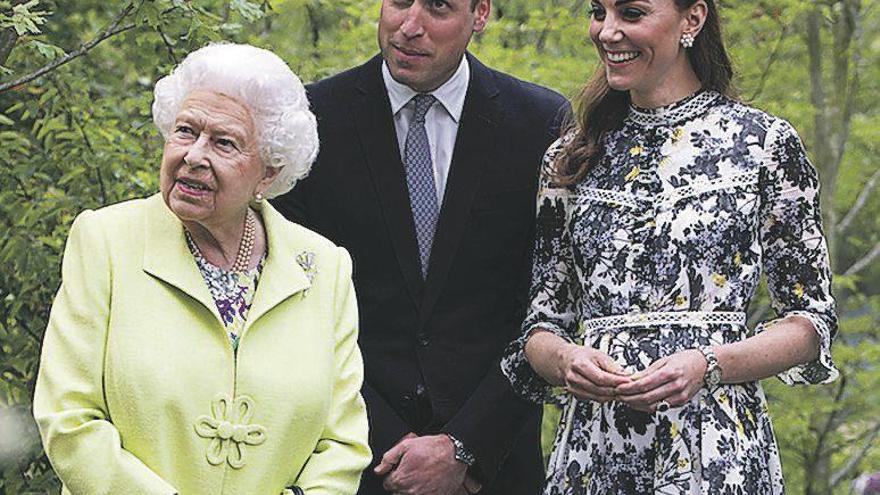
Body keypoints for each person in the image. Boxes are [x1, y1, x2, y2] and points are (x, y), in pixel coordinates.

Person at [500, 0, 838, 493]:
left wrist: (709, 365)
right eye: (599, 12)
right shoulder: (570, 157)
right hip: (596, 451)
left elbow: (811, 322)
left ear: (692, 20)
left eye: (631, 14)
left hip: (717, 449)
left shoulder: (763, 144)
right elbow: (541, 325)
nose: (608, 32)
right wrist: (566, 361)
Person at [33, 43, 371, 495]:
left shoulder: (324, 268)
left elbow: (342, 443)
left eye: (223, 142)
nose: (193, 155)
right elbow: (69, 418)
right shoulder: (106, 240)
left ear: (268, 174)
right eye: (185, 131)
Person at [271, 0, 568, 493]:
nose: (409, 26)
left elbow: (550, 304)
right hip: (348, 460)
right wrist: (387, 441)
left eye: (437, 7)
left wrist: (465, 447)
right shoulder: (313, 119)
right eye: (398, 2)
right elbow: (291, 302)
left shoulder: (540, 122)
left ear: (481, 13)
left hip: (494, 466)